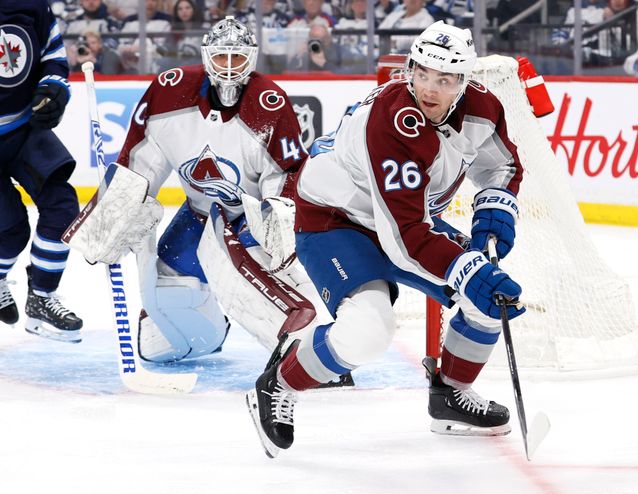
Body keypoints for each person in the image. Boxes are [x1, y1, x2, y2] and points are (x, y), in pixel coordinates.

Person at [246, 21, 527, 458]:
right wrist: (468, 269)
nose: (430, 89)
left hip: (402, 218)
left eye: (445, 79)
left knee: (488, 299)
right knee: (369, 331)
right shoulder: (394, 121)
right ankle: (279, 382)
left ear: (465, 81)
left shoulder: (482, 108)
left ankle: (449, 395)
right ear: (410, 69)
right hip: (335, 220)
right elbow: (407, 239)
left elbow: (501, 167)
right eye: (423, 74)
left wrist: (493, 210)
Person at [66, 17, 329, 366]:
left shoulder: (269, 104)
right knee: (160, 337)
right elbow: (141, 162)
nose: (231, 68)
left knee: (257, 277)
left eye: (238, 59)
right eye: (223, 58)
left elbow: (285, 178)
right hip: (198, 215)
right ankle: (206, 337)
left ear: (252, 59)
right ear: (207, 57)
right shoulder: (169, 92)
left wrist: (272, 231)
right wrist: (112, 217)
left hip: (248, 220)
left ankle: (315, 353)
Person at [0, 0, 83, 341]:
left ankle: (42, 297)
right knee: (11, 230)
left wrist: (55, 89)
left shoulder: (31, 3)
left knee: (63, 208)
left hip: (24, 128)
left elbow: (52, 53)